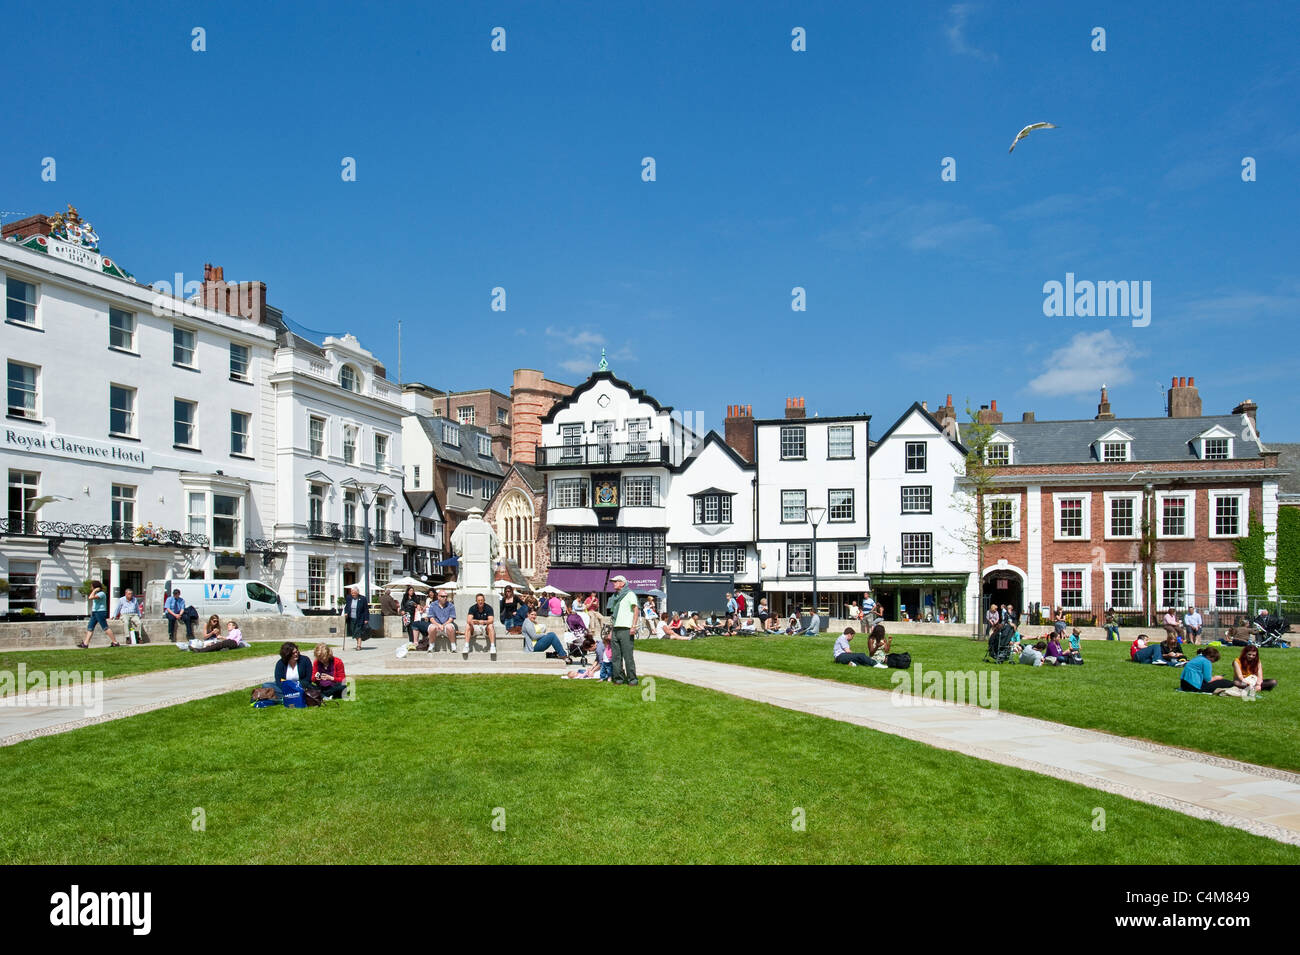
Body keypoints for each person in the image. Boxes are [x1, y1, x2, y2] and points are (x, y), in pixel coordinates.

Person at [606, 574, 639, 686]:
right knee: (616, 656)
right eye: (613, 581)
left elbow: (635, 610)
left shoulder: (630, 594)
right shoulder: (615, 597)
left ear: (622, 583)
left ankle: (632, 679)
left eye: (616, 581)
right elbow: (614, 616)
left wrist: (633, 626)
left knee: (628, 656)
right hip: (616, 629)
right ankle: (618, 678)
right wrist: (611, 631)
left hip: (626, 628)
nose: (614, 583)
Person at [78, 580, 113, 648]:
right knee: (90, 627)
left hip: (100, 612)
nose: (91, 588)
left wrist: (94, 590)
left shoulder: (101, 594)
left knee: (105, 627)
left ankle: (115, 642)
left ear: (95, 587)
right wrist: (94, 591)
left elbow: (90, 597)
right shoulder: (97, 593)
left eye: (92, 586)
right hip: (95, 612)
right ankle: (85, 644)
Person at [345, 586, 370, 652]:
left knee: (358, 631)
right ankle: (358, 643)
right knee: (354, 632)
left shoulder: (363, 598)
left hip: (360, 618)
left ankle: (359, 645)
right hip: (351, 618)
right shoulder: (349, 598)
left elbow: (366, 609)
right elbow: (347, 607)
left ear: (357, 593)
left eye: (354, 593)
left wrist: (366, 619)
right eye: (352, 593)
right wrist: (346, 613)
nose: (352, 594)